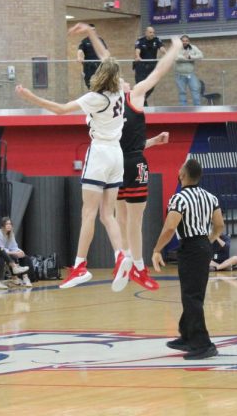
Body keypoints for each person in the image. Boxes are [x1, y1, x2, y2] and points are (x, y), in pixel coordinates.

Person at [16, 29, 126, 290]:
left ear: (100, 74)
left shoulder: (95, 98)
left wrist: (29, 96)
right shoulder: (120, 90)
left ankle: (79, 266)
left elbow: (60, 110)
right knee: (107, 215)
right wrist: (91, 33)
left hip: (100, 152)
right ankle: (121, 255)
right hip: (117, 154)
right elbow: (108, 57)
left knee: (88, 212)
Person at [76, 22, 178, 291]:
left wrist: (90, 33)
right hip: (131, 161)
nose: (125, 79)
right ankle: (138, 268)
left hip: (114, 161)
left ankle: (123, 259)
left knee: (118, 217)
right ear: (118, 83)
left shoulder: (107, 103)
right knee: (134, 219)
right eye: (122, 78)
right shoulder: (134, 95)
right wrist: (175, 49)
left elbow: (106, 60)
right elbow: (158, 71)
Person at [151, 159, 224, 360]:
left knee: (191, 296)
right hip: (202, 246)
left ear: (182, 174)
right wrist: (206, 242)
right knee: (192, 294)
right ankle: (187, 335)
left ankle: (203, 344)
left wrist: (157, 249)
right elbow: (219, 226)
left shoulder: (179, 199)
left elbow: (170, 227)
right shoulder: (210, 197)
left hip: (190, 248)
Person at [0, 217, 33, 287]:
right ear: (2, 226)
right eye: (6, 224)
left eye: (10, 224)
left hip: (7, 253)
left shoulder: (11, 233)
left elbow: (14, 247)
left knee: (25, 257)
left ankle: (25, 278)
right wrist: (15, 253)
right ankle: (15, 276)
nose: (9, 225)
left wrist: (20, 251)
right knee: (12, 256)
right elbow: (0, 250)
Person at [133, 26, 166, 104]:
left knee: (151, 86)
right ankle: (141, 103)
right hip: (141, 67)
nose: (152, 34)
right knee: (140, 86)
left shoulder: (156, 40)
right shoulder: (140, 40)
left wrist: (167, 55)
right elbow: (137, 50)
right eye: (150, 32)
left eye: (153, 32)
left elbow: (162, 48)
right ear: (146, 33)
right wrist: (138, 57)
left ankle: (142, 100)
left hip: (152, 67)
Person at [174, 35, 204, 106]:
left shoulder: (193, 48)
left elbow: (201, 56)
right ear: (180, 42)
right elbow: (176, 57)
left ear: (189, 41)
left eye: (186, 41)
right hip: (179, 75)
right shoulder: (176, 48)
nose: (185, 42)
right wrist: (186, 58)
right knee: (182, 92)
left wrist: (190, 57)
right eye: (183, 41)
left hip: (191, 74)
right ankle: (183, 111)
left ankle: (197, 109)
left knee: (195, 91)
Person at [76, 24, 108, 90]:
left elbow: (106, 51)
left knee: (101, 81)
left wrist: (106, 59)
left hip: (99, 64)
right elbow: (80, 50)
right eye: (90, 30)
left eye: (93, 30)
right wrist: (79, 57)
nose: (92, 31)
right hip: (89, 65)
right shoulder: (84, 41)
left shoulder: (100, 40)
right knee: (89, 82)